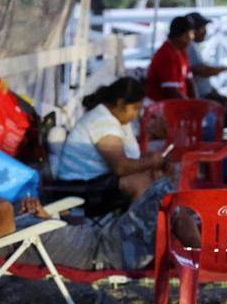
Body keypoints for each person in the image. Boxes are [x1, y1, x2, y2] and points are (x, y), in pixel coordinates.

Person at [0, 182, 200, 273]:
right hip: (108, 253)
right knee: (165, 197)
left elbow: (63, 231)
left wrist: (42, 216)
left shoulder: (12, 225)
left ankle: (208, 248)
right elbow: (2, 207)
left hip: (106, 237)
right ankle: (205, 261)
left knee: (171, 201)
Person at [54, 77, 170, 208]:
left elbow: (130, 157)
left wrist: (150, 160)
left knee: (155, 174)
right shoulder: (102, 121)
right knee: (140, 182)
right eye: (135, 108)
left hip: (94, 181)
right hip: (78, 186)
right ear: (120, 104)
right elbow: (121, 167)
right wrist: (151, 161)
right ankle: (140, 220)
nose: (135, 115)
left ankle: (160, 215)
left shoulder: (116, 120)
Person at [185, 12, 227, 104]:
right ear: (194, 30)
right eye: (203, 28)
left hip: (206, 94)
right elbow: (202, 71)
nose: (205, 32)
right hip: (201, 99)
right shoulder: (188, 47)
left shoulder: (193, 46)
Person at [145, 16, 196, 101]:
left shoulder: (182, 52)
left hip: (179, 102)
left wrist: (195, 103)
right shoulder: (166, 54)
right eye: (189, 34)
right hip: (161, 104)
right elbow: (170, 92)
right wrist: (189, 105)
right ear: (179, 35)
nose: (192, 38)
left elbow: (189, 81)